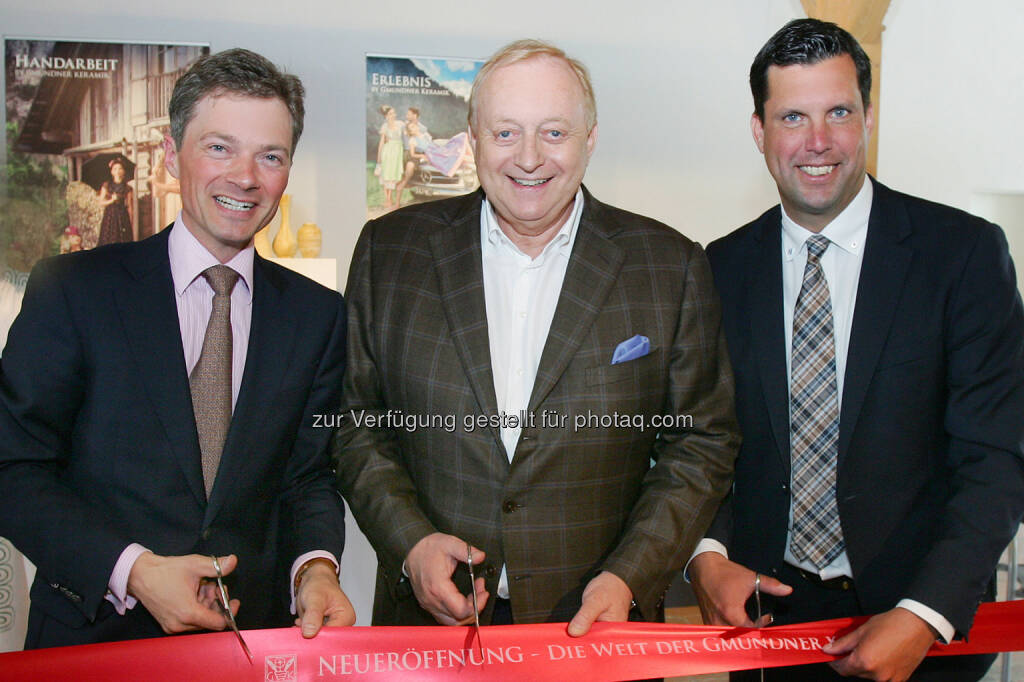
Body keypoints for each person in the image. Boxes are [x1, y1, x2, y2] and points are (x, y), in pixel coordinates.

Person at [334, 39, 739, 633]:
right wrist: (411, 546)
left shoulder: (668, 266)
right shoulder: (389, 253)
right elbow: (356, 424)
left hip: (598, 625)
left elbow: (701, 443)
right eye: (505, 133)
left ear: (590, 139)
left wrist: (631, 575)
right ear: (473, 138)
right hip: (430, 629)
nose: (529, 158)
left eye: (553, 133)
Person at [689, 19, 1024, 681]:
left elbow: (997, 455)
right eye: (793, 117)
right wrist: (706, 555)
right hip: (769, 631)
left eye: (838, 112)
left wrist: (925, 613)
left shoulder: (962, 255)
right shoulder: (717, 270)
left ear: (868, 117)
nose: (818, 142)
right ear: (759, 131)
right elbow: (705, 444)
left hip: (922, 633)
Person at [0, 47, 355, 649]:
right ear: (171, 156)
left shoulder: (317, 314)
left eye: (270, 156)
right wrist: (133, 570)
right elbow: (13, 467)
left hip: (251, 643)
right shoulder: (73, 290)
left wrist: (315, 569)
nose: (245, 176)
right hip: (93, 640)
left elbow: (307, 477)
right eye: (219, 147)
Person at [96, 157, 135, 246]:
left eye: (120, 168)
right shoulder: (107, 185)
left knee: (122, 240)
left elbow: (130, 206)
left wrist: (131, 222)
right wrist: (111, 200)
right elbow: (100, 202)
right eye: (115, 169)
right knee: (107, 240)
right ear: (112, 172)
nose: (118, 171)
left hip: (122, 216)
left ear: (123, 171)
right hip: (110, 216)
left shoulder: (128, 188)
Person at [376, 105, 405, 210]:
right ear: (386, 116)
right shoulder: (385, 126)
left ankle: (390, 198)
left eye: (394, 113)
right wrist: (379, 158)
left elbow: (408, 132)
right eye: (391, 113)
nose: (393, 115)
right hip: (388, 151)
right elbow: (382, 142)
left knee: (394, 174)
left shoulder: (400, 124)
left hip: (397, 151)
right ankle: (387, 199)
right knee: (386, 174)